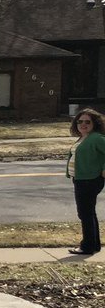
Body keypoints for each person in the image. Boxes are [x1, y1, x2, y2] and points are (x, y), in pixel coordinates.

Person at [67, 107, 105, 255]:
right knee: (89, 212)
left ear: (94, 123)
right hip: (81, 179)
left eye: (87, 122)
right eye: (79, 121)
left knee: (85, 213)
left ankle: (87, 246)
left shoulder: (97, 138)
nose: (83, 124)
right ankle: (94, 245)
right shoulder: (85, 137)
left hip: (89, 180)